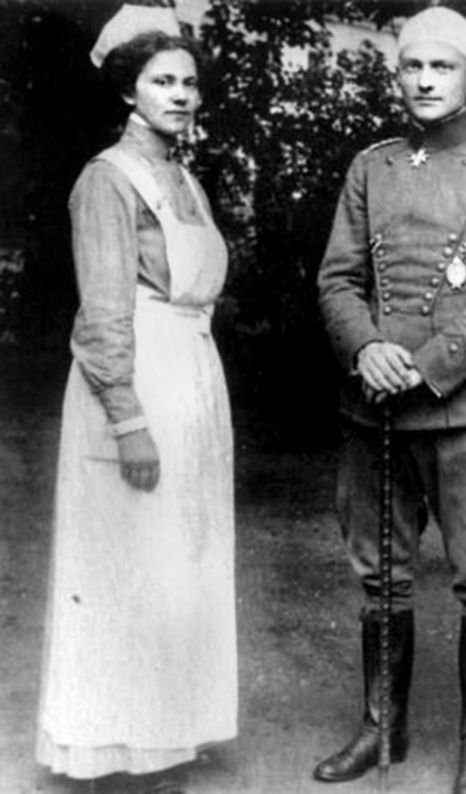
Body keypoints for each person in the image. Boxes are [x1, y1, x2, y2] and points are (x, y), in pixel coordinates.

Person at [313, 7, 466, 794]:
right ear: (397, 75)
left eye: (442, 68)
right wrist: (365, 347)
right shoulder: (371, 168)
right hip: (374, 406)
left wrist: (423, 363)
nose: (425, 81)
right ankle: (385, 725)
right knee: (381, 573)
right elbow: (337, 278)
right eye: (413, 67)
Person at [36, 29, 237, 793]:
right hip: (135, 375)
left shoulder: (185, 179)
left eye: (188, 82)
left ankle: (170, 729)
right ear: (128, 91)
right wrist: (127, 418)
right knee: (128, 559)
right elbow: (104, 311)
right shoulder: (108, 179)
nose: (181, 95)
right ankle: (115, 746)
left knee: (179, 558)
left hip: (190, 368)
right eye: (162, 82)